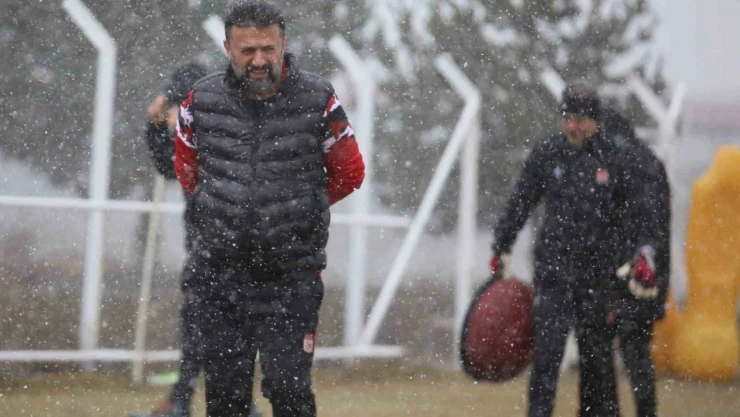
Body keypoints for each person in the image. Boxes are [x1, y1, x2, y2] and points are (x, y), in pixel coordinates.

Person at [173, 1, 365, 416]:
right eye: (247, 50)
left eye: (268, 49)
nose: (259, 61)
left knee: (289, 391)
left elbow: (350, 172)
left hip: (291, 277)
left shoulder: (319, 99)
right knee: (225, 398)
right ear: (228, 48)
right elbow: (187, 172)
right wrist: (231, 210)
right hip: (219, 276)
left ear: (283, 45)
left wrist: (298, 208)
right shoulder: (198, 101)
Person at [489, 82, 659, 417]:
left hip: (598, 277)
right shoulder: (548, 152)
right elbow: (520, 201)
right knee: (546, 359)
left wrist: (643, 252)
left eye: (580, 119)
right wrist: (502, 246)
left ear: (595, 120)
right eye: (567, 118)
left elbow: (640, 213)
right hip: (553, 273)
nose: (572, 126)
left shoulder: (614, 158)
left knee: (596, 363)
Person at [131, 62, 263, 417]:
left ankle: (189, 402)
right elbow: (168, 166)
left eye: (178, 105)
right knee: (207, 325)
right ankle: (213, 402)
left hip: (227, 249)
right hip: (209, 248)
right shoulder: (202, 136)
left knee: (212, 325)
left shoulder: (220, 135)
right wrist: (156, 127)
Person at [603, 108, 671, 417]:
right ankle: (645, 411)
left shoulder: (622, 165)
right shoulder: (650, 163)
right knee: (635, 351)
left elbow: (643, 225)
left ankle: (611, 411)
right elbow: (659, 228)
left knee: (609, 351)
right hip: (646, 275)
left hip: (630, 274)